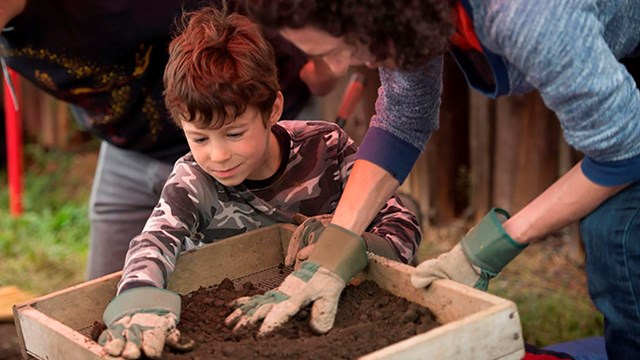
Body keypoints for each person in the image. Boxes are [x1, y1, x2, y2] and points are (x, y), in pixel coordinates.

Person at [230, 0, 640, 358]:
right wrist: (330, 255)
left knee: (616, 238)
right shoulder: (405, 16)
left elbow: (622, 151)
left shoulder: (526, 12)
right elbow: (401, 121)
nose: (347, 65)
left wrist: (488, 248)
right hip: (608, 55)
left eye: (345, 48)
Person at [97, 7, 421, 359]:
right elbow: (154, 241)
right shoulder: (192, 181)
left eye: (234, 133)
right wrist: (140, 299)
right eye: (200, 139)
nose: (218, 156)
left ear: (273, 109)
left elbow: (403, 224)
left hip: (345, 312)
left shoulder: (326, 147)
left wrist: (353, 247)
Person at [0, 0, 325, 280]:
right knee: (107, 288)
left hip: (244, 145)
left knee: (260, 274)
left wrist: (323, 59)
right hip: (132, 148)